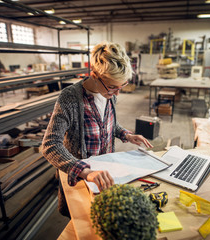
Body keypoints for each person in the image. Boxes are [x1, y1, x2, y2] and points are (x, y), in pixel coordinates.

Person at [42, 41, 153, 217]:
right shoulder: (70, 98)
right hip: (83, 177)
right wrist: (85, 172)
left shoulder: (109, 94)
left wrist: (126, 135)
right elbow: (50, 145)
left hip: (106, 174)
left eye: (121, 86)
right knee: (82, 222)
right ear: (94, 75)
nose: (117, 93)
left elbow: (106, 125)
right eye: (112, 87)